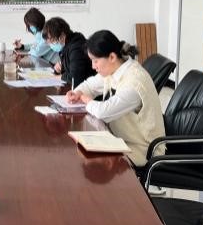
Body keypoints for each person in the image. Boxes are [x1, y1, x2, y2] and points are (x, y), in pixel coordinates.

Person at [66, 30, 164, 167]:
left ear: (112, 57)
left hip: (142, 150)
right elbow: (90, 85)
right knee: (80, 153)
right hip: (119, 139)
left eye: (95, 61)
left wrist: (85, 99)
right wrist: (77, 92)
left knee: (89, 162)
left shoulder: (134, 82)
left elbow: (103, 112)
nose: (93, 66)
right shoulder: (114, 70)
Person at [42, 17, 94, 85]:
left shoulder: (77, 48)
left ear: (62, 35)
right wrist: (59, 69)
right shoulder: (66, 46)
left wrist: (56, 78)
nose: (51, 44)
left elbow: (75, 78)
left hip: (88, 87)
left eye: (53, 41)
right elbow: (68, 69)